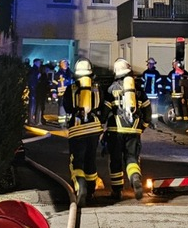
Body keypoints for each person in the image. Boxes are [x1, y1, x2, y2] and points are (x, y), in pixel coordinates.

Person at [102, 58, 150, 200]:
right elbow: (148, 112)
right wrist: (142, 127)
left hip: (115, 131)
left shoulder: (111, 89)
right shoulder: (138, 90)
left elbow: (105, 112)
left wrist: (101, 125)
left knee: (115, 160)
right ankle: (135, 179)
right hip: (134, 131)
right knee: (132, 158)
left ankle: (117, 191)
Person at [67, 58, 104, 205]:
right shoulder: (97, 88)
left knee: (77, 160)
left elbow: (68, 107)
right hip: (94, 129)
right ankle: (91, 192)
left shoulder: (72, 88)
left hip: (77, 129)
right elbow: (101, 106)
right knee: (91, 160)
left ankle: (80, 186)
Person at [25, 58, 48, 126]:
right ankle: (31, 120)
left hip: (35, 90)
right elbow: (32, 80)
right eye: (38, 62)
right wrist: (37, 77)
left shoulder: (36, 70)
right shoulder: (34, 70)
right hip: (34, 90)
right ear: (35, 62)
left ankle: (32, 120)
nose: (39, 64)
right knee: (32, 105)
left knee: (34, 105)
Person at [52, 59, 74, 125]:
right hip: (61, 94)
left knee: (70, 107)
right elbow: (54, 84)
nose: (65, 65)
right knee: (62, 107)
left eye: (66, 64)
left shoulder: (71, 73)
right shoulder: (57, 74)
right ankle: (62, 123)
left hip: (70, 93)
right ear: (60, 65)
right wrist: (54, 92)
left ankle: (70, 122)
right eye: (63, 64)